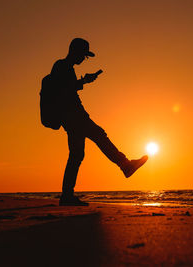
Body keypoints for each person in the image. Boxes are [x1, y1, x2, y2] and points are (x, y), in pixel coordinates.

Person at [50, 38, 148, 206]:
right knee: (99, 136)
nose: (84, 59)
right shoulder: (62, 66)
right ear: (75, 51)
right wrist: (84, 82)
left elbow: (68, 88)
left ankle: (67, 195)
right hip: (73, 116)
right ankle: (125, 166)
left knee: (76, 155)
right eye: (83, 55)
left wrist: (82, 82)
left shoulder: (65, 67)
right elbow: (64, 90)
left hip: (71, 116)